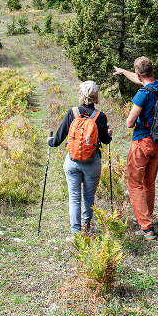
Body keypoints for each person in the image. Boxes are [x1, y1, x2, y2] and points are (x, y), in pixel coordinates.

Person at [48, 81, 112, 236]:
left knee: (74, 197)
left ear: (82, 95)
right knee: (89, 197)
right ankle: (86, 227)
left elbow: (57, 140)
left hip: (72, 161)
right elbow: (105, 141)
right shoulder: (100, 116)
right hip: (92, 163)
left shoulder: (72, 113)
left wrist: (49, 141)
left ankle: (75, 233)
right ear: (95, 97)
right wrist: (109, 134)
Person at [113, 57, 158, 240]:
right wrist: (122, 71)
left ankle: (146, 226)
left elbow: (129, 123)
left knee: (135, 184)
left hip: (141, 142)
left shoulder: (143, 94)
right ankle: (147, 216)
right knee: (149, 183)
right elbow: (140, 79)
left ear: (138, 73)